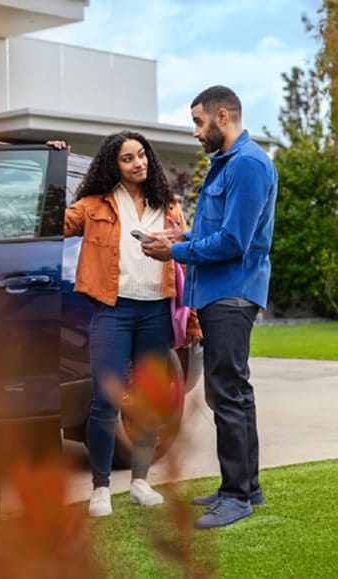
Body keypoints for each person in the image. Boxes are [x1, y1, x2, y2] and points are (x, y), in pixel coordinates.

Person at [141, 85, 278, 529]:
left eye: (199, 122)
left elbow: (235, 241)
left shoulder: (249, 166)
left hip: (232, 294)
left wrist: (174, 256)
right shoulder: (225, 166)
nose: (196, 132)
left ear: (223, 116)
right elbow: (211, 231)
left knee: (228, 393)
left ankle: (236, 496)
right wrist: (176, 239)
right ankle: (243, 487)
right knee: (233, 390)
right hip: (220, 292)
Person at [63, 130, 200, 518]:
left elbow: (184, 251)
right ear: (113, 164)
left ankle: (140, 482)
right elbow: (55, 221)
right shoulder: (93, 205)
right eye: (128, 158)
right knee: (105, 400)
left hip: (156, 312)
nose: (138, 163)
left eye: (142, 155)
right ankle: (100, 488)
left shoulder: (168, 204)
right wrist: (55, 165)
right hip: (113, 311)